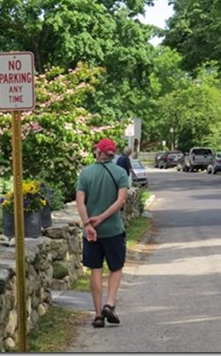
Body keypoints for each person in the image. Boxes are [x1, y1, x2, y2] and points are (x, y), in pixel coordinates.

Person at [76, 138, 129, 328]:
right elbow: (121, 200)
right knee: (116, 267)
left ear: (98, 153)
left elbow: (80, 201)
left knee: (95, 269)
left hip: (91, 232)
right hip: (113, 229)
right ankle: (110, 304)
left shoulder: (86, 173)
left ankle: (98, 315)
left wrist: (88, 224)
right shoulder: (120, 173)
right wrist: (103, 217)